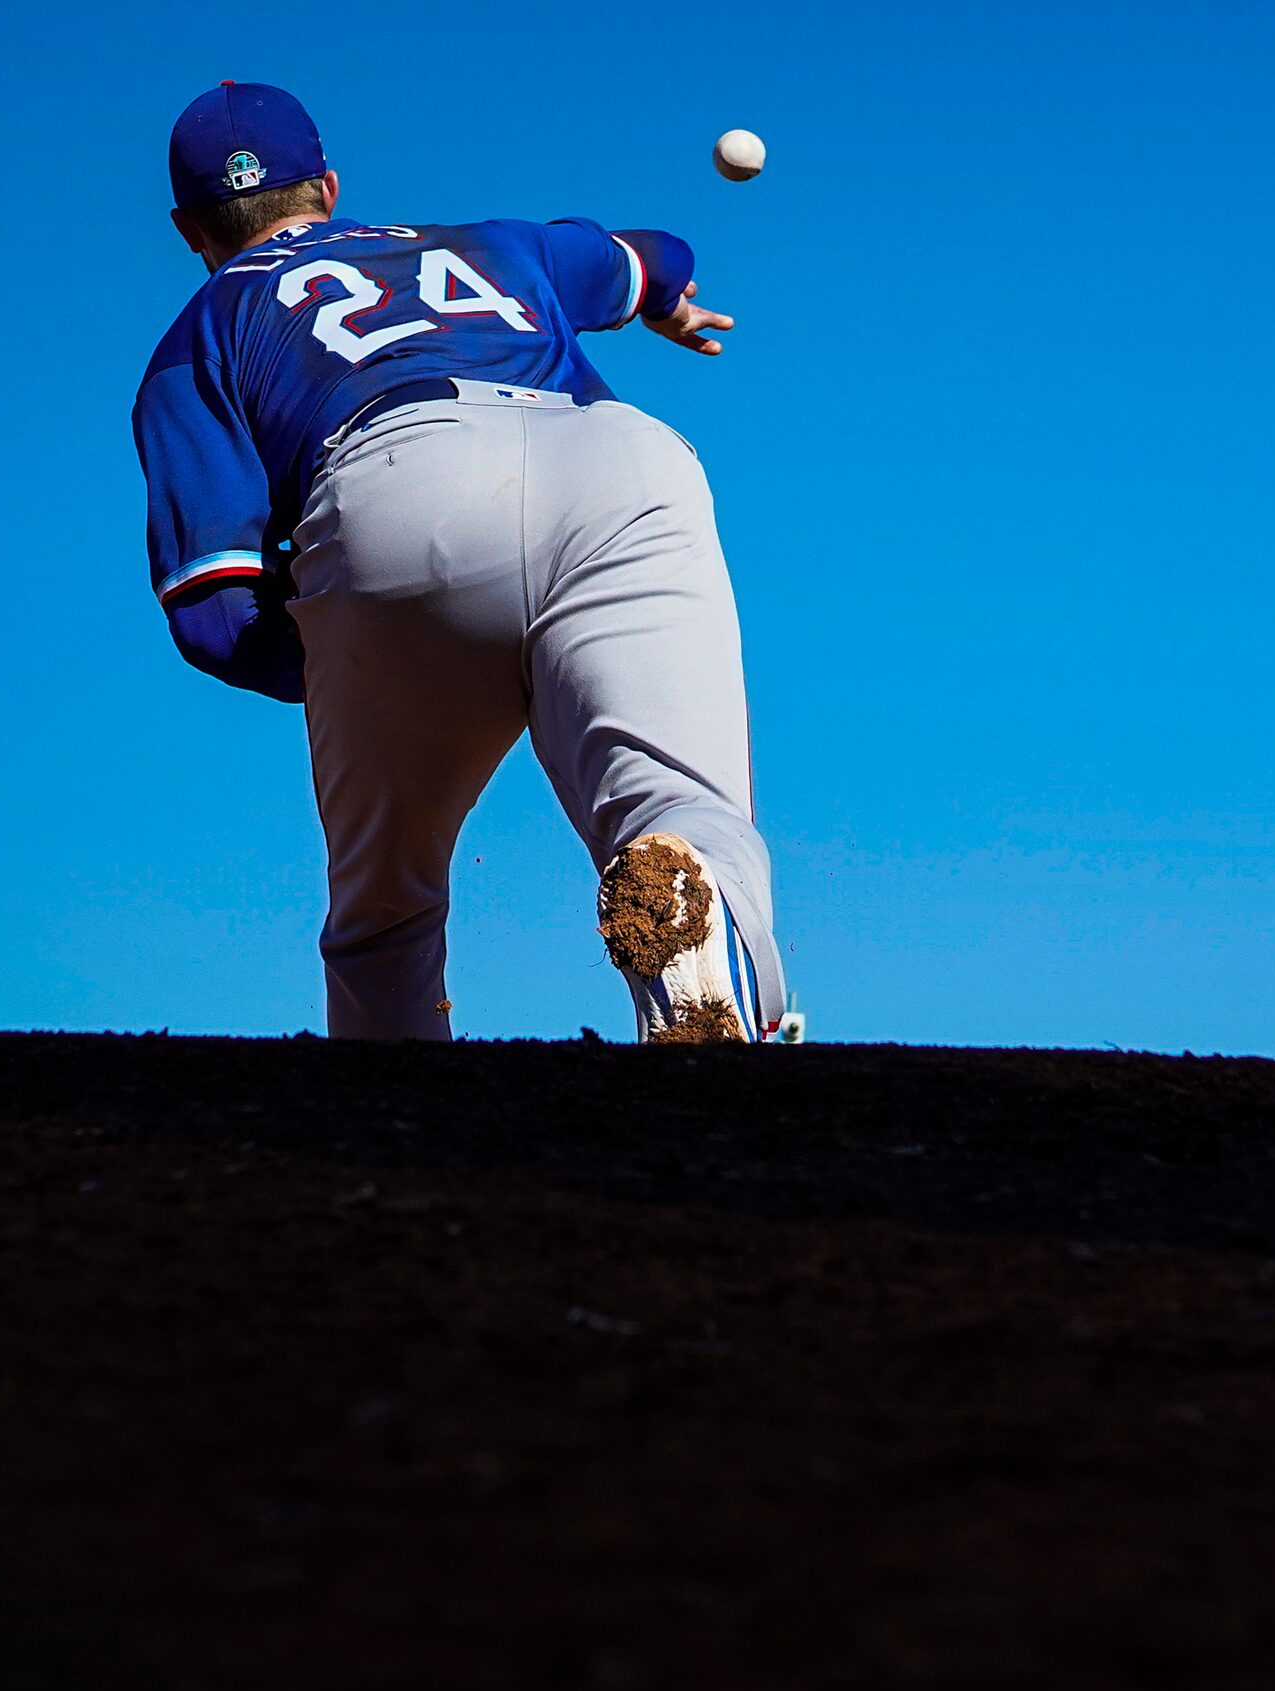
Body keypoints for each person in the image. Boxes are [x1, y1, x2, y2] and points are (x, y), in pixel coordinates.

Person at [134, 81, 790, 1044]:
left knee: (383, 917)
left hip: (387, 494)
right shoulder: (486, 245)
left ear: (190, 228)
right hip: (615, 466)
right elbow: (649, 257)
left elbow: (214, 608)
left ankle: (409, 1164)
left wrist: (355, 658)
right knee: (679, 810)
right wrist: (664, 298)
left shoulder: (199, 336)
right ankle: (705, 979)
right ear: (328, 184)